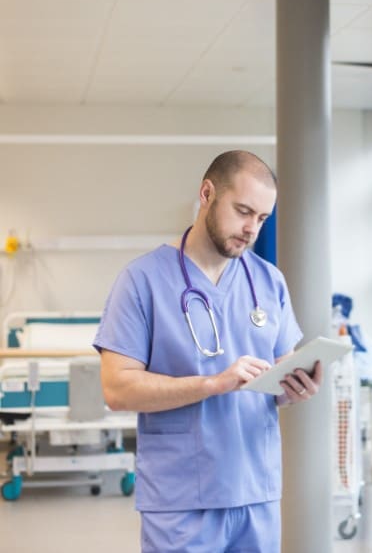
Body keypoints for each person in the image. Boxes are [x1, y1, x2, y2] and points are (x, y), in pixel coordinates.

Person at [94, 150, 322, 553]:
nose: (252, 229)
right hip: (182, 497)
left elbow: (275, 380)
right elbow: (117, 389)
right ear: (206, 193)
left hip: (256, 491)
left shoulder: (269, 281)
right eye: (243, 211)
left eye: (263, 219)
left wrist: (293, 387)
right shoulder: (141, 280)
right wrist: (214, 384)